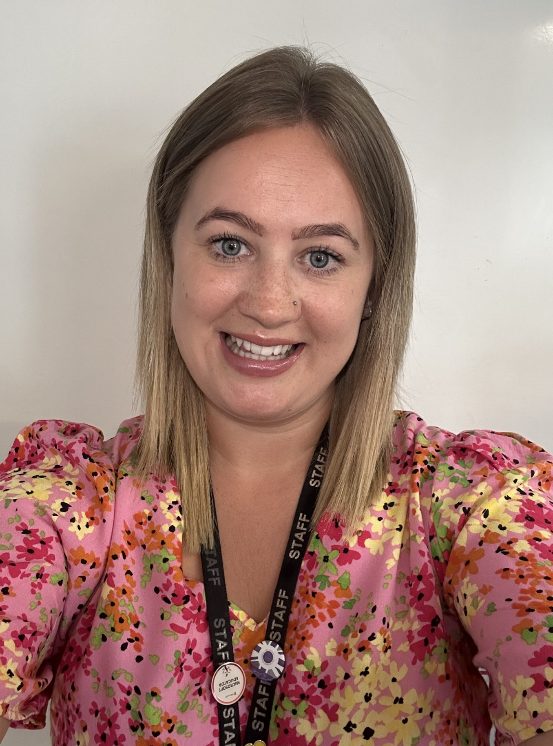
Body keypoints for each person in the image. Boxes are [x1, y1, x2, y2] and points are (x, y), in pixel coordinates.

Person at [0, 46, 552, 746]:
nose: (267, 303)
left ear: (373, 288)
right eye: (230, 245)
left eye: (320, 257)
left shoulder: (474, 505)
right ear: (169, 257)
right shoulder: (67, 505)